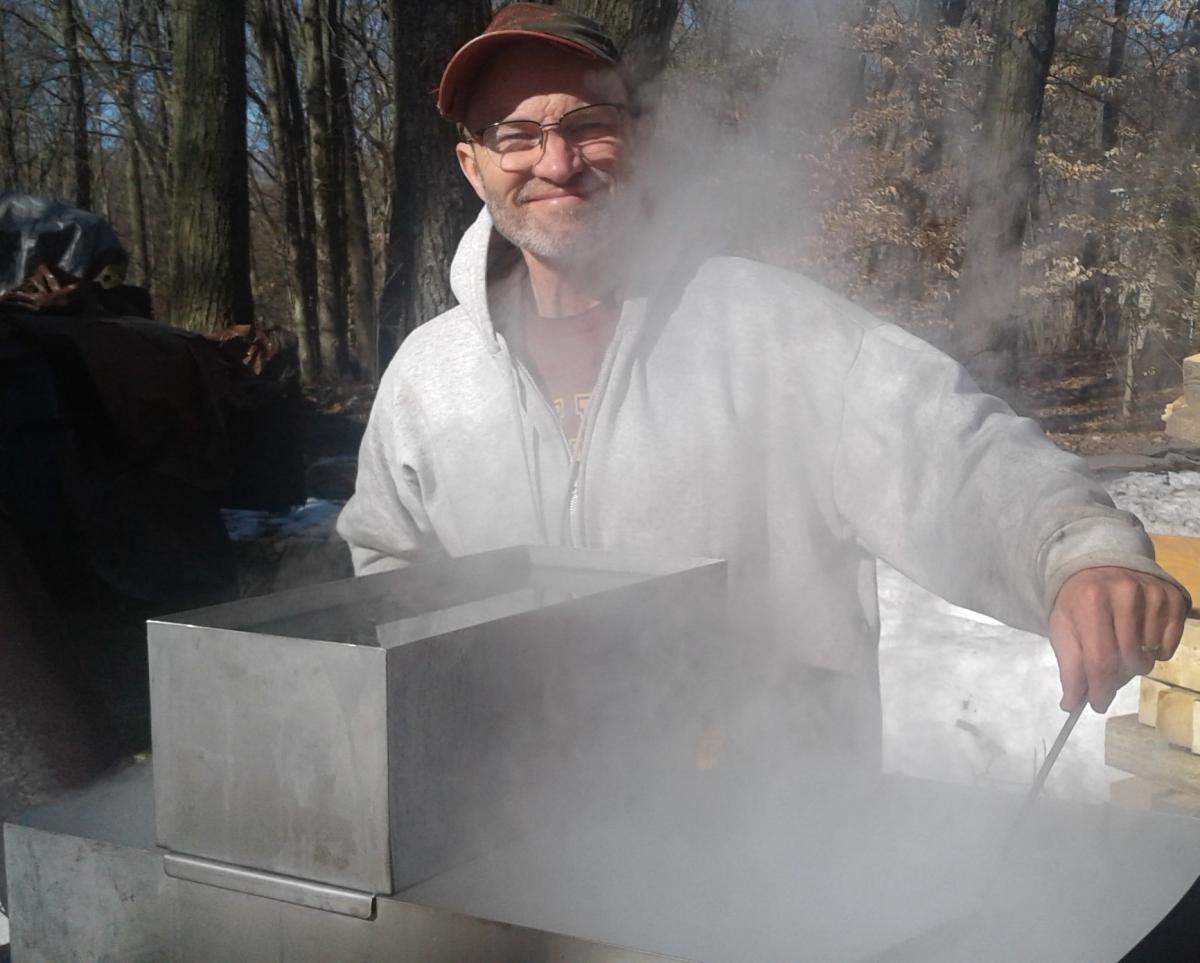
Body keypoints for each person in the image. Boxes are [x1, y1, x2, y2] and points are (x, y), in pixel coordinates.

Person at [338, 3, 1189, 755]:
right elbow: (392, 583)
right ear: (472, 165)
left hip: (775, 836)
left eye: (589, 124)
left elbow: (949, 455)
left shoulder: (771, 332)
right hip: (508, 832)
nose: (557, 161)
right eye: (516, 135)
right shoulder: (427, 382)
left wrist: (1077, 555)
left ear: (641, 140)